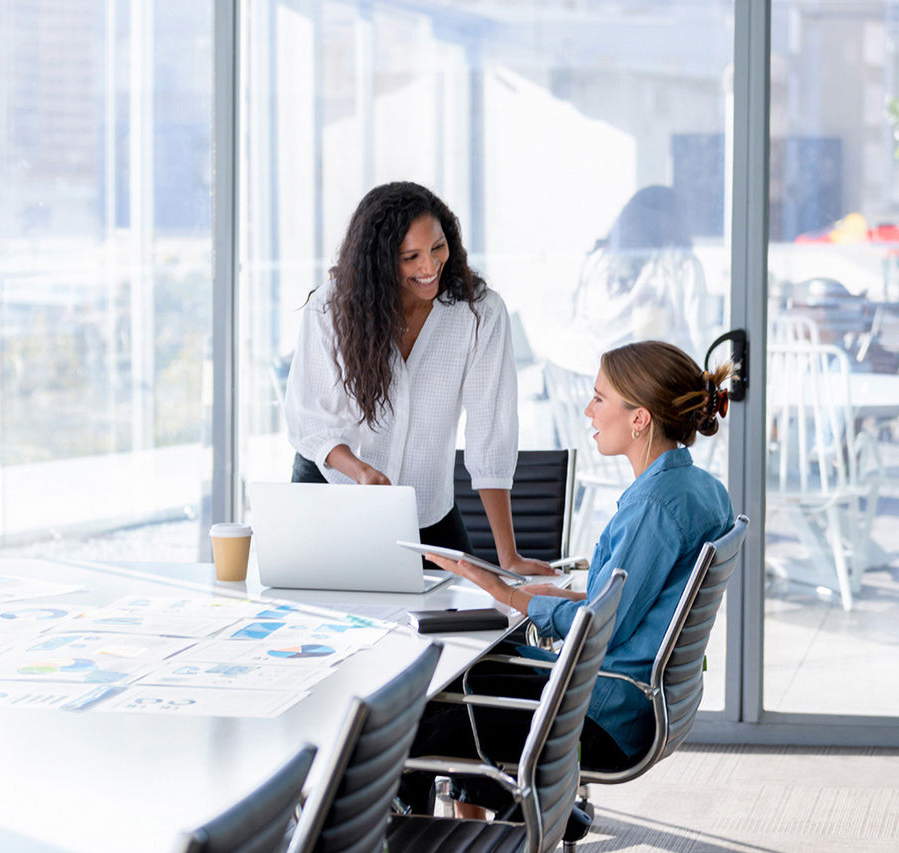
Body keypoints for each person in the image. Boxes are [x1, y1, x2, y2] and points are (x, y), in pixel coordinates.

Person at [401, 340, 735, 814]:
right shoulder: (702, 489)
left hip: (599, 714)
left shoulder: (652, 508)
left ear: (639, 419)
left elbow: (602, 628)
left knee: (414, 719)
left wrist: (509, 595)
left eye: (599, 398)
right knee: (475, 672)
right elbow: (636, 600)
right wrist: (559, 597)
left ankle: (517, 816)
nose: (587, 410)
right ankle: (537, 811)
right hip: (629, 698)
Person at [283, 181, 550, 574]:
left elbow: (491, 433)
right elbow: (310, 418)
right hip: (332, 493)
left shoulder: (479, 314)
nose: (429, 267)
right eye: (410, 257)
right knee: (324, 611)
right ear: (379, 260)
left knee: (462, 606)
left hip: (426, 509)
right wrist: (360, 472)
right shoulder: (331, 308)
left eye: (437, 247)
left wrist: (508, 556)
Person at [569, 185, 710, 362]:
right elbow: (698, 334)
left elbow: (581, 326)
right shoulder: (680, 266)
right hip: (647, 371)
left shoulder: (599, 261)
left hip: (595, 369)